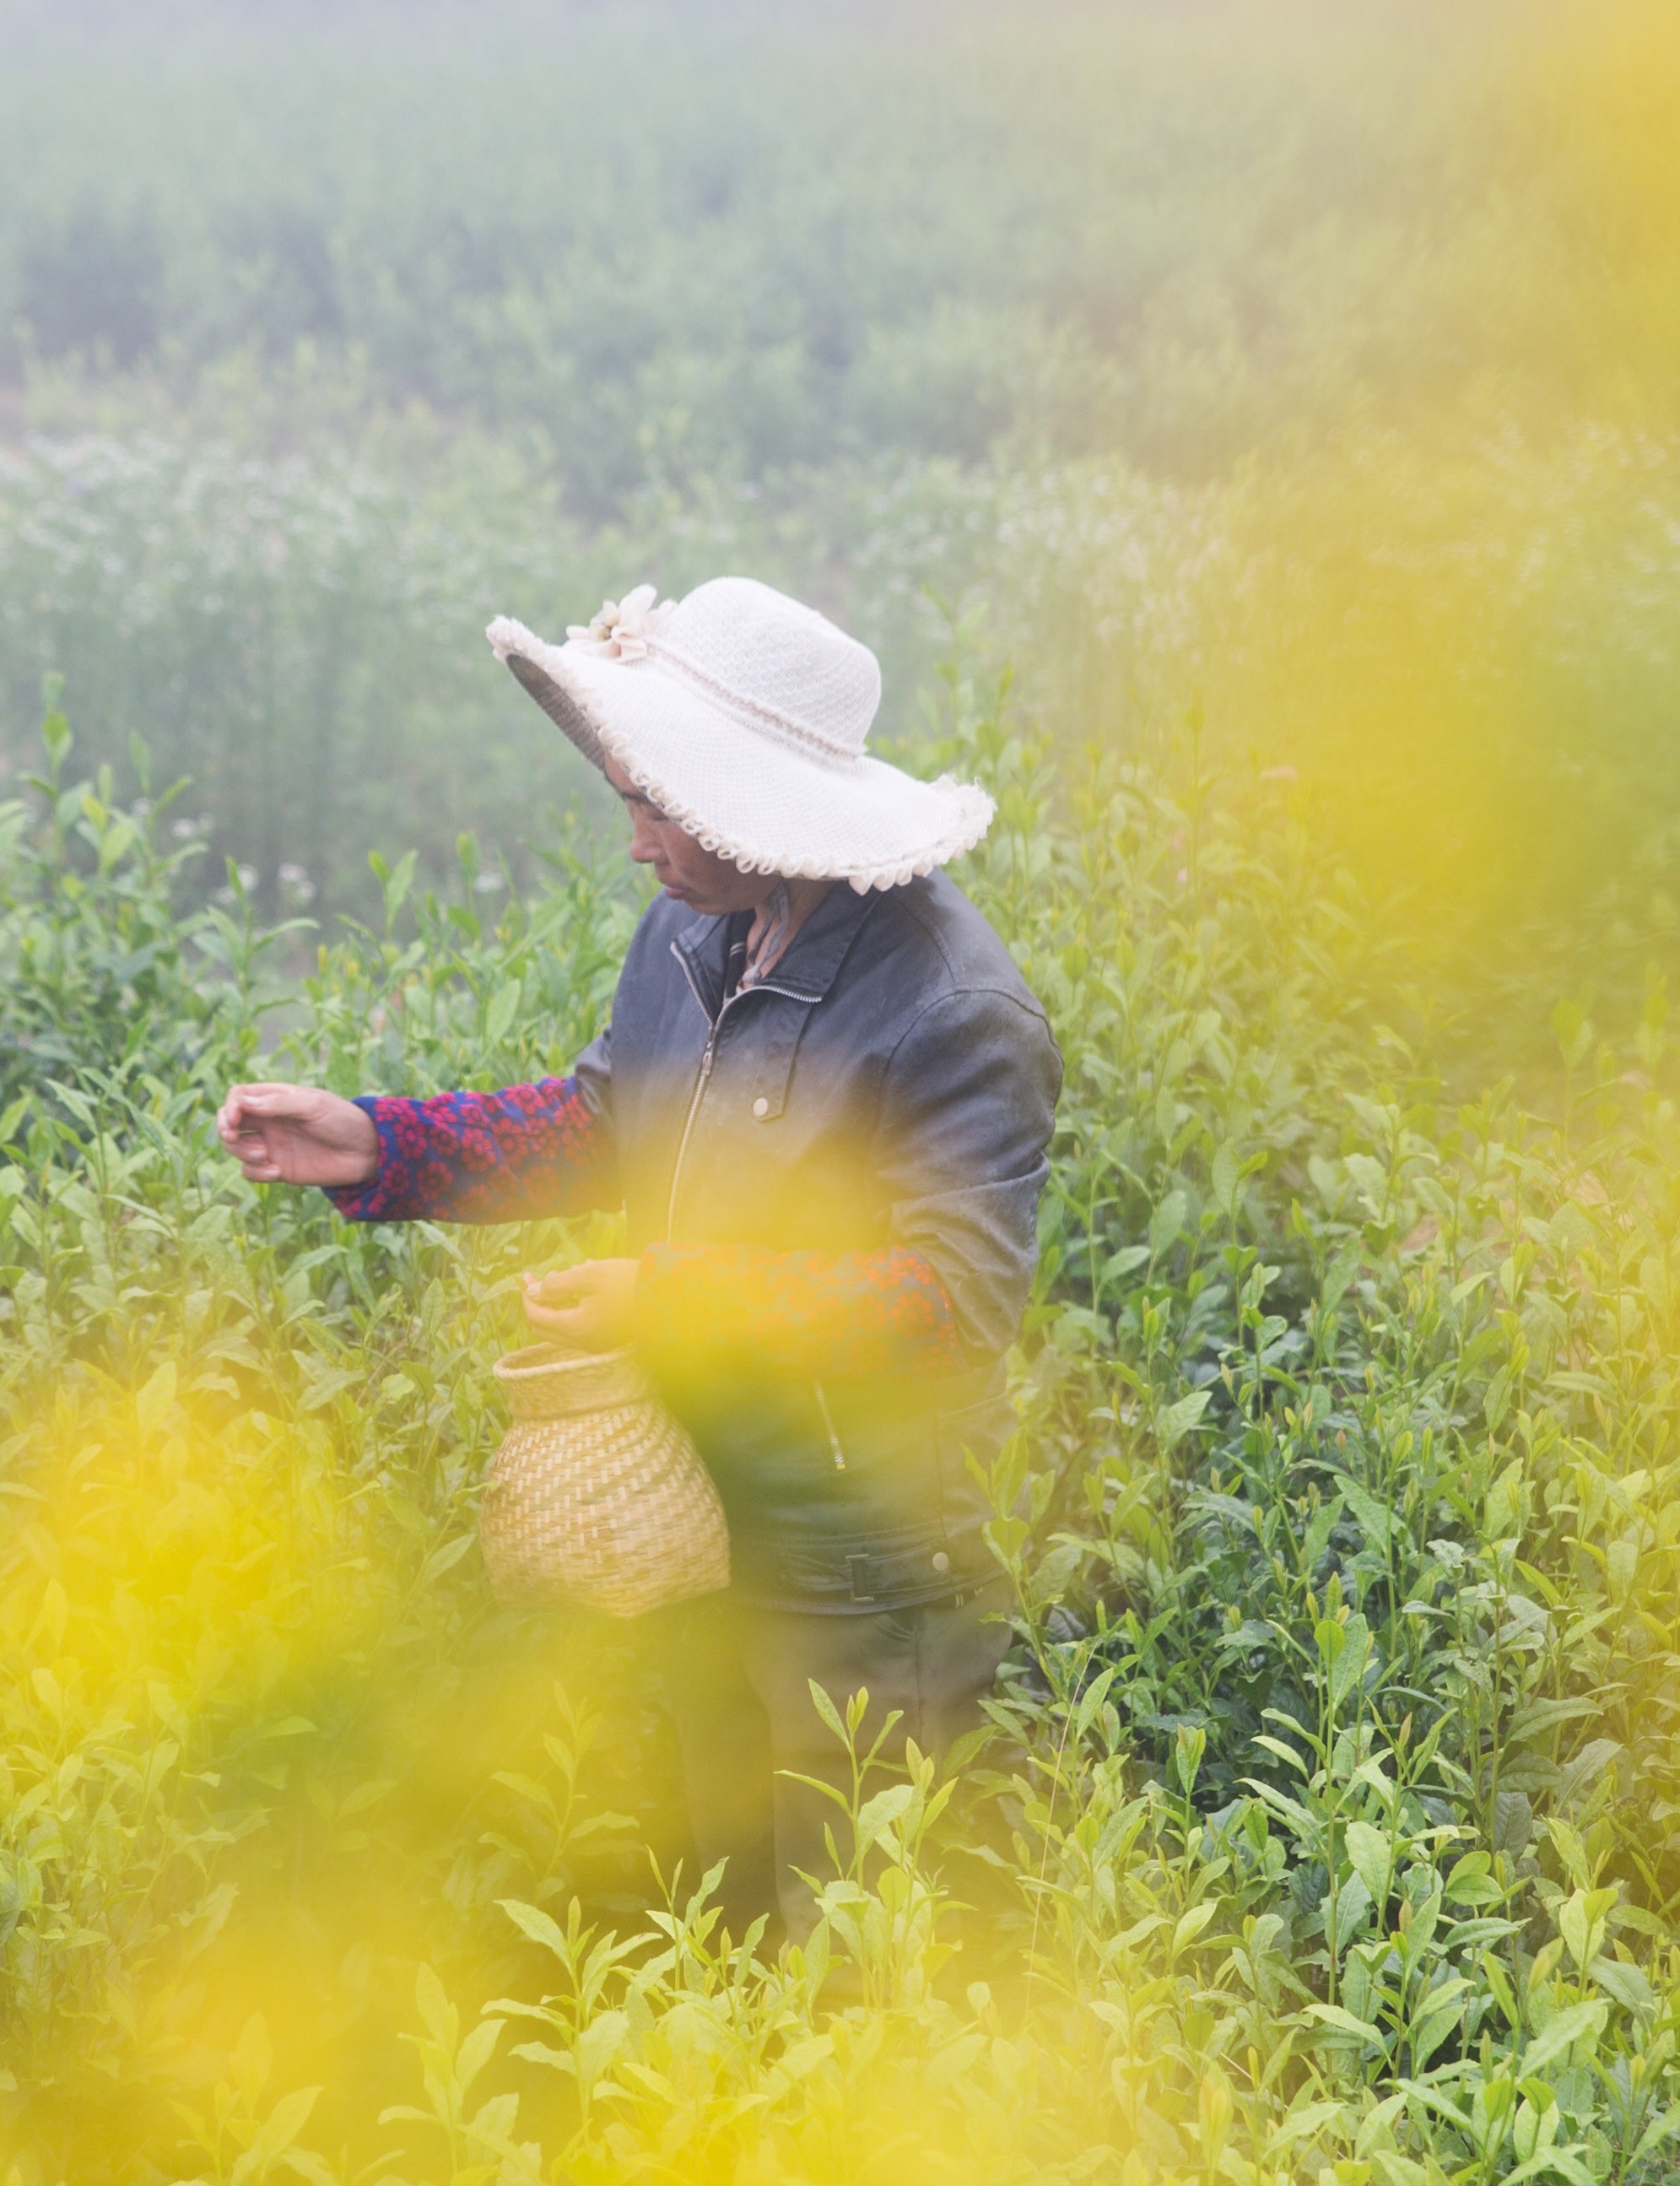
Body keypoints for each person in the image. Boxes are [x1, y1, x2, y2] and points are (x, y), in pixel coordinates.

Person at [215, 579, 1061, 1925]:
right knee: (707, 1922)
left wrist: (668, 1297)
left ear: (752, 809)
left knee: (862, 1943)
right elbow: (612, 1118)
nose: (636, 841)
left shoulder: (951, 1008)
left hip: (859, 1563)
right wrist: (381, 1145)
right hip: (692, 1517)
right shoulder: (698, 928)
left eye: (653, 802)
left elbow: (949, 1303)